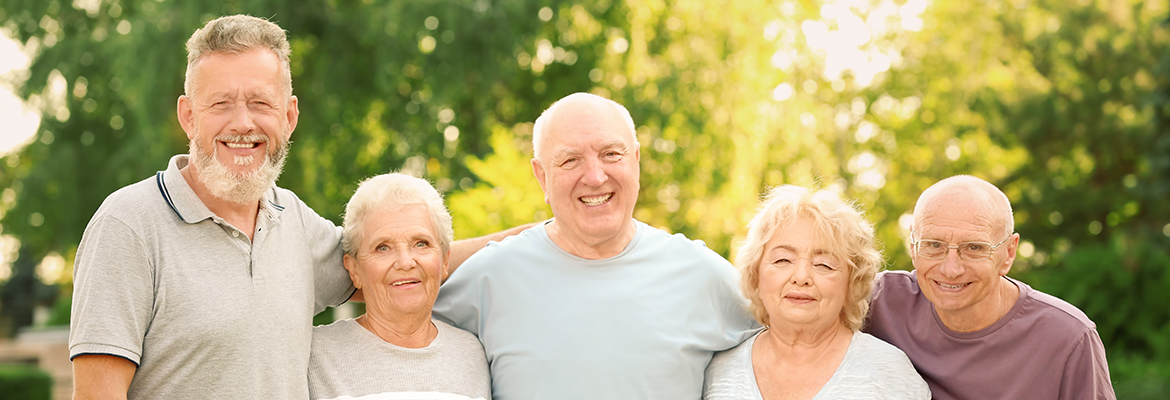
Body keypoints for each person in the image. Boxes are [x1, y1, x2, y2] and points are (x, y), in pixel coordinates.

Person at [69, 15, 518, 399]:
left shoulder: (292, 219)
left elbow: (394, 264)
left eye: (261, 103)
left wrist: (547, 237)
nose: (243, 123)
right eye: (221, 104)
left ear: (289, 116)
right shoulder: (128, 225)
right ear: (188, 115)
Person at [433, 92, 759, 400]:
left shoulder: (702, 274)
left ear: (636, 160)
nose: (594, 176)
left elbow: (795, 342)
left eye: (611, 154)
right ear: (542, 177)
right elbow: (393, 316)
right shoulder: (489, 276)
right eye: (571, 160)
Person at [864, 175, 1116, 399]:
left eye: (974, 248)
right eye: (934, 245)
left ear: (1008, 253)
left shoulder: (1068, 338)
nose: (951, 269)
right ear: (913, 247)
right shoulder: (877, 302)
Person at [704, 185, 929, 400]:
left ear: (851, 283)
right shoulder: (716, 372)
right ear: (756, 276)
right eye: (783, 259)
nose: (801, 277)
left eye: (824, 264)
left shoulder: (891, 376)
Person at [308, 173, 490, 400]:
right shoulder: (313, 357)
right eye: (382, 247)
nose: (405, 262)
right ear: (353, 269)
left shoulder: (475, 355)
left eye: (421, 243)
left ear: (444, 261)